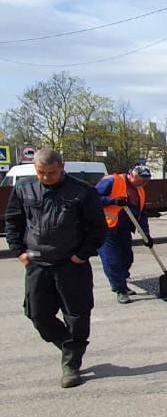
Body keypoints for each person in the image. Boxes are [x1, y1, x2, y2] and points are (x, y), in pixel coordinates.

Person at [5, 148, 108, 388]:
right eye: (41, 172)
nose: (46, 177)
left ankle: (71, 364)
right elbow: (13, 221)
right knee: (38, 314)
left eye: (52, 172)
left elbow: (97, 229)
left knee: (77, 315)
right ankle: (70, 345)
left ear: (62, 168)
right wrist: (19, 251)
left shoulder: (82, 191)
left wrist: (81, 256)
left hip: (71, 264)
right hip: (37, 262)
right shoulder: (23, 189)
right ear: (35, 170)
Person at [95, 164, 153, 304]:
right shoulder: (112, 181)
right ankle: (119, 289)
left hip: (124, 229)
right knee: (113, 261)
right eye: (141, 180)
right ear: (132, 175)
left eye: (146, 180)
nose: (143, 183)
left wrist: (146, 234)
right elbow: (92, 198)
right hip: (106, 228)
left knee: (127, 258)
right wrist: (112, 201)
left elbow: (142, 214)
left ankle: (121, 283)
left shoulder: (140, 191)